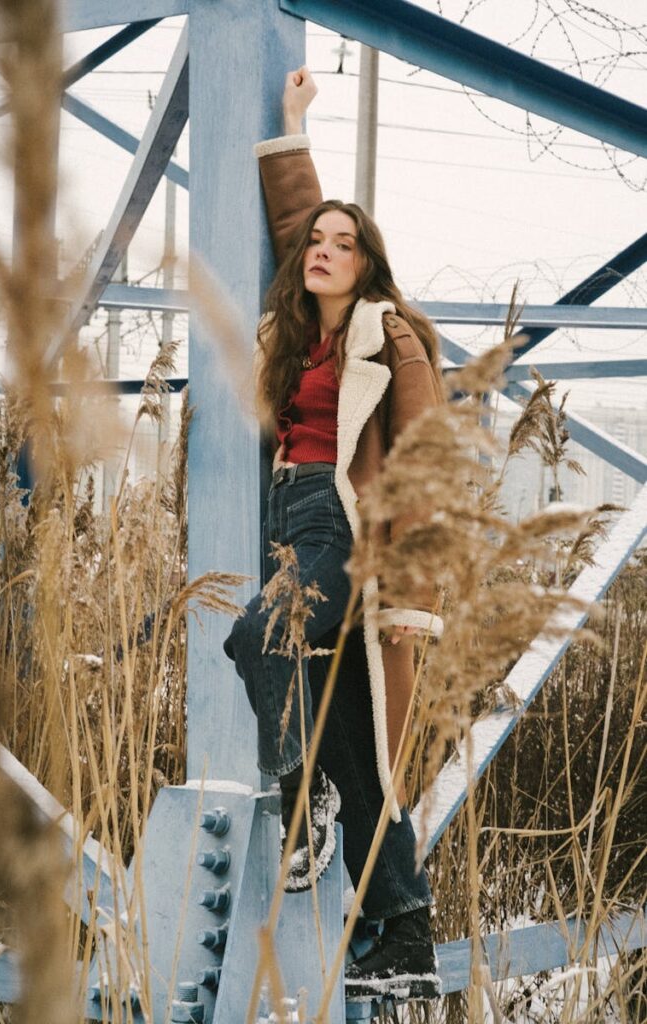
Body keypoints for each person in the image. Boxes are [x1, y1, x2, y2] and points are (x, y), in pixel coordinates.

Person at [223, 67, 444, 1001]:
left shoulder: (386, 335)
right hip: (285, 514)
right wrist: (291, 124)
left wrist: (414, 602)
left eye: (342, 244)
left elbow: (425, 463)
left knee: (253, 633)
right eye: (315, 241)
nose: (320, 249)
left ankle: (295, 797)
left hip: (342, 527)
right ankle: (404, 934)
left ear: (368, 264)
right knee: (358, 751)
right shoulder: (303, 331)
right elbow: (293, 219)